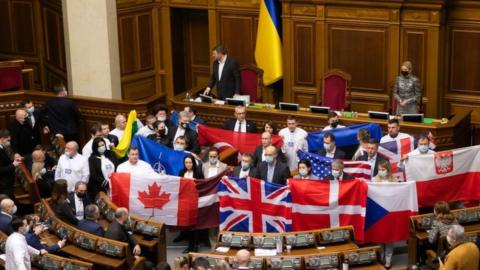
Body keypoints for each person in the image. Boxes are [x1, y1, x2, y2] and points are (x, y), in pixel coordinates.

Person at [0, 129, 22, 199]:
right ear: (2, 139)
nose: (9, 143)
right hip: (3, 184)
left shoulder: (2, 147)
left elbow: (4, 162)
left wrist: (13, 160)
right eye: (8, 140)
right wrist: (13, 165)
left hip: (8, 182)